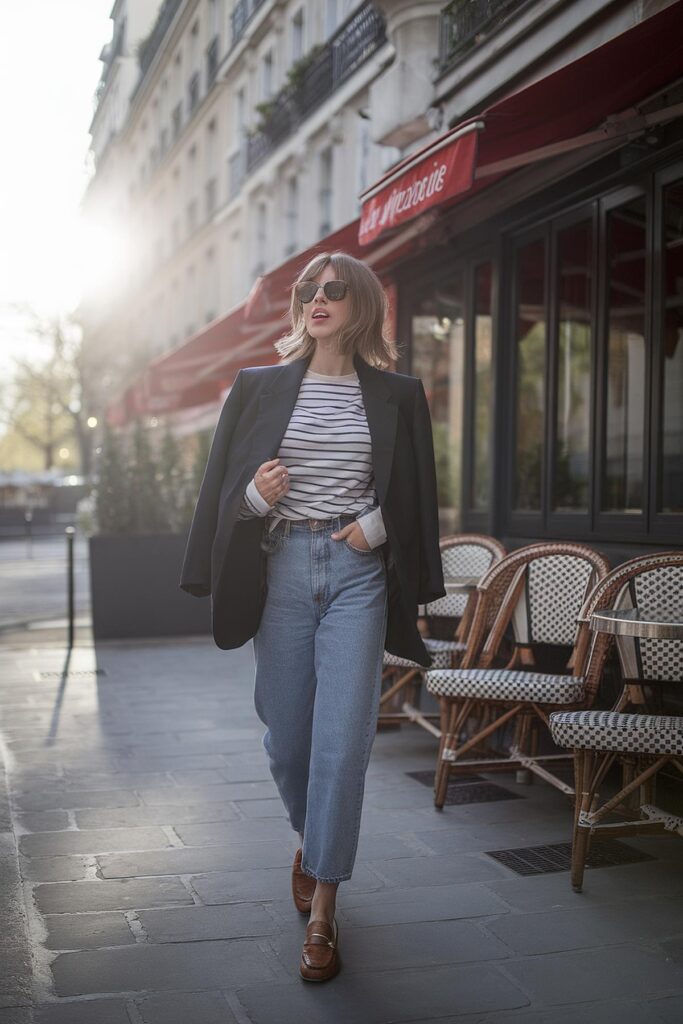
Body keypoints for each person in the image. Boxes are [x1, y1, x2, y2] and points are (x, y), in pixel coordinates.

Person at [180, 251, 445, 982]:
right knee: (288, 739)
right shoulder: (257, 385)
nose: (316, 300)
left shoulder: (397, 393)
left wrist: (377, 528)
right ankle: (314, 837)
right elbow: (221, 489)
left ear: (360, 304)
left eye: (332, 291)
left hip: (358, 571)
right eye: (307, 291)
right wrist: (259, 499)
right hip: (282, 567)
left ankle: (324, 907)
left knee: (341, 742)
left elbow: (418, 492)